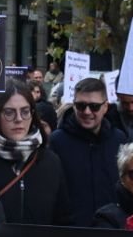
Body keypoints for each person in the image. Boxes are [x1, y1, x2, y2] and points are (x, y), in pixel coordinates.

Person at [0, 83, 71, 225]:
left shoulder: (50, 161)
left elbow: (63, 218)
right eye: (9, 112)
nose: (19, 119)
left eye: (25, 111)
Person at [51, 77, 127, 227]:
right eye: (80, 105)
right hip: (71, 233)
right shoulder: (56, 141)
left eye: (94, 106)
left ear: (106, 107)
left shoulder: (119, 139)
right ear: (73, 105)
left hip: (112, 232)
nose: (87, 112)